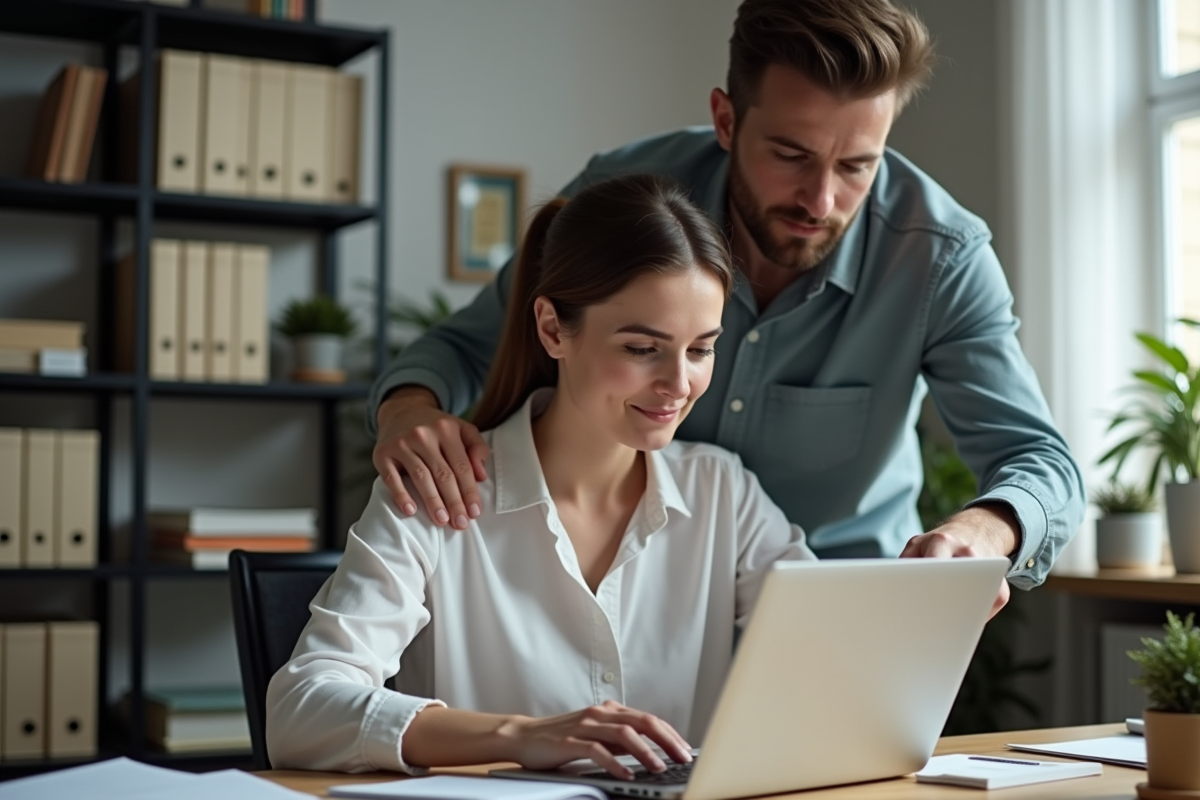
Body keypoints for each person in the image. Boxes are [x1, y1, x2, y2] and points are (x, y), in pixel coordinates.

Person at [366, 0, 1084, 604]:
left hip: (831, 624)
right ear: (726, 120)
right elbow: (466, 347)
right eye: (792, 155)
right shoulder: (629, 200)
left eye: (858, 165)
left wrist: (989, 530)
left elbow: (1037, 460)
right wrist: (408, 413)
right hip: (636, 610)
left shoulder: (942, 257)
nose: (822, 200)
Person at [267, 175, 818, 776]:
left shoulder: (724, 493)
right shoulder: (437, 492)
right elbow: (300, 710)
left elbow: (842, 653)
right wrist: (519, 737)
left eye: (701, 349)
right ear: (554, 329)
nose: (679, 384)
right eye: (642, 349)